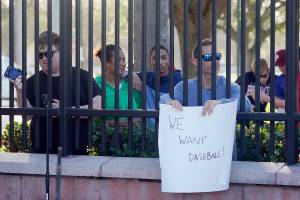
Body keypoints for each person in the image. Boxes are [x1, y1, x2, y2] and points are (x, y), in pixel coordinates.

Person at [160, 39, 252, 160]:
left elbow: (246, 107)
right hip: (192, 161)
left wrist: (220, 103)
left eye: (217, 56)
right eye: (208, 57)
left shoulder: (230, 87)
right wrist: (169, 102)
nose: (215, 61)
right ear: (195, 61)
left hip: (223, 163)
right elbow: (164, 99)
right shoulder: (184, 87)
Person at [12, 31, 101, 155]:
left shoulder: (82, 76)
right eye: (39, 55)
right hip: (41, 152)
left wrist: (66, 111)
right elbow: (27, 116)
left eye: (48, 54)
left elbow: (98, 108)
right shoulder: (32, 81)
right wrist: (20, 92)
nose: (43, 59)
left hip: (76, 152)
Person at [94, 44, 142, 126]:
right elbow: (93, 116)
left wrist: (128, 122)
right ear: (106, 63)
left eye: (124, 60)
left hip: (132, 136)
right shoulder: (96, 84)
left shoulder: (132, 84)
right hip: (105, 137)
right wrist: (113, 124)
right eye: (118, 60)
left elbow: (141, 112)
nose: (123, 64)